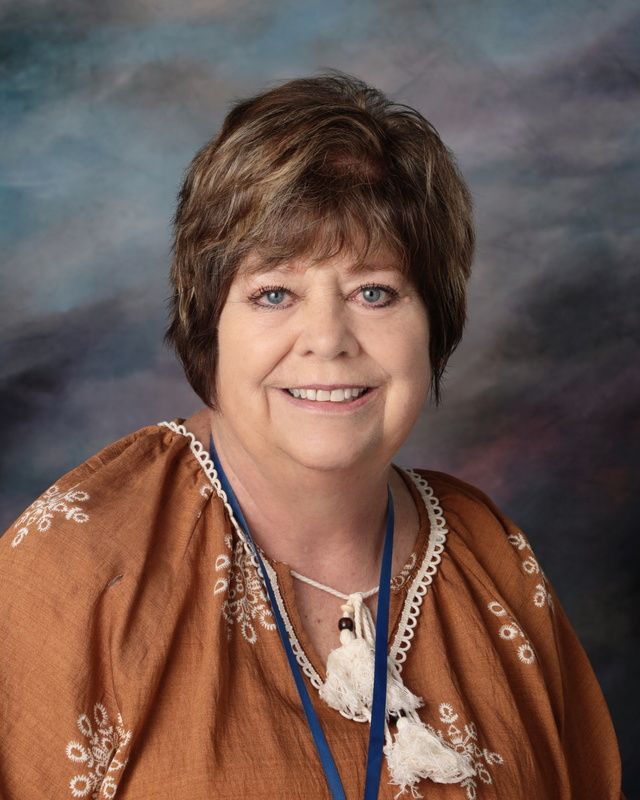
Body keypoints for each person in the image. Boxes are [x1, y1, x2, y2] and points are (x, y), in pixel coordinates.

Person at [0, 71, 623, 800]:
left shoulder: (493, 560)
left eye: (374, 292)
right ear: (209, 326)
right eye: (274, 293)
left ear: (435, 327)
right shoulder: (80, 569)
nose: (327, 340)